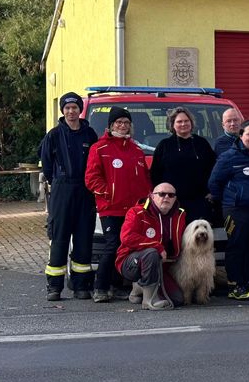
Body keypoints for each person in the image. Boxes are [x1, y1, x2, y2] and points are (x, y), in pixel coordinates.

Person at [85, 106, 151, 303]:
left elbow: (145, 180)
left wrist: (147, 200)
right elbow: (91, 178)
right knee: (112, 245)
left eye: (126, 123)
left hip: (134, 210)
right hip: (111, 208)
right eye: (119, 123)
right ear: (111, 125)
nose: (123, 126)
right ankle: (100, 287)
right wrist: (109, 194)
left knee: (127, 247)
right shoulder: (100, 148)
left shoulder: (136, 150)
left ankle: (117, 285)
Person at [39, 91, 99, 301]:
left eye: (74, 108)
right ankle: (54, 287)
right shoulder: (54, 135)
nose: (71, 112)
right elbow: (47, 165)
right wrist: (57, 182)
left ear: (80, 110)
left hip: (85, 191)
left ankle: (81, 285)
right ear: (63, 111)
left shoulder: (90, 134)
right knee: (59, 238)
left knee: (83, 239)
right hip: (62, 190)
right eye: (67, 108)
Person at [208, 119, 249, 299]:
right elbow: (214, 183)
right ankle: (236, 285)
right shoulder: (229, 157)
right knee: (237, 247)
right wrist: (229, 200)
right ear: (241, 135)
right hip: (236, 210)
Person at [115, 183, 186, 310]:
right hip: (130, 262)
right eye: (161, 194)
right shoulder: (136, 212)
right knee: (151, 252)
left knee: (178, 299)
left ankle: (138, 288)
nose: (166, 197)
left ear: (175, 198)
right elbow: (126, 237)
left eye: (171, 195)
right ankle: (149, 300)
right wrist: (157, 246)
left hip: (161, 266)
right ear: (152, 196)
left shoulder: (180, 215)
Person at [150, 107, 217, 224]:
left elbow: (213, 169)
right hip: (172, 201)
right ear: (172, 125)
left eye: (186, 121)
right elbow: (155, 173)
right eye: (179, 121)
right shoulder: (164, 146)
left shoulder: (202, 144)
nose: (183, 124)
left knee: (198, 238)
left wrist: (211, 192)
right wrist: (160, 195)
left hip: (200, 201)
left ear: (191, 122)